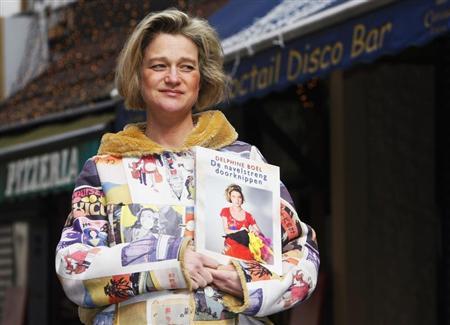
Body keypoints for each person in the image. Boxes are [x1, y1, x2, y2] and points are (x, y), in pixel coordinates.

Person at [55, 9, 319, 324]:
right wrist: (170, 259)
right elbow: (73, 265)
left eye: (186, 67)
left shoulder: (243, 160)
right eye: (158, 66)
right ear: (138, 77)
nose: (173, 77)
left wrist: (251, 282)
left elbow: (302, 249)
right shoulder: (105, 168)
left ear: (201, 78)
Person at [220, 184, 272, 263]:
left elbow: (260, 234)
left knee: (245, 235)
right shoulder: (225, 211)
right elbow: (226, 230)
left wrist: (254, 231)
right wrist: (239, 230)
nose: (237, 200)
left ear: (242, 198)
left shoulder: (248, 215)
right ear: (230, 198)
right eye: (234, 196)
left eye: (239, 197)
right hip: (231, 243)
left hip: (245, 245)